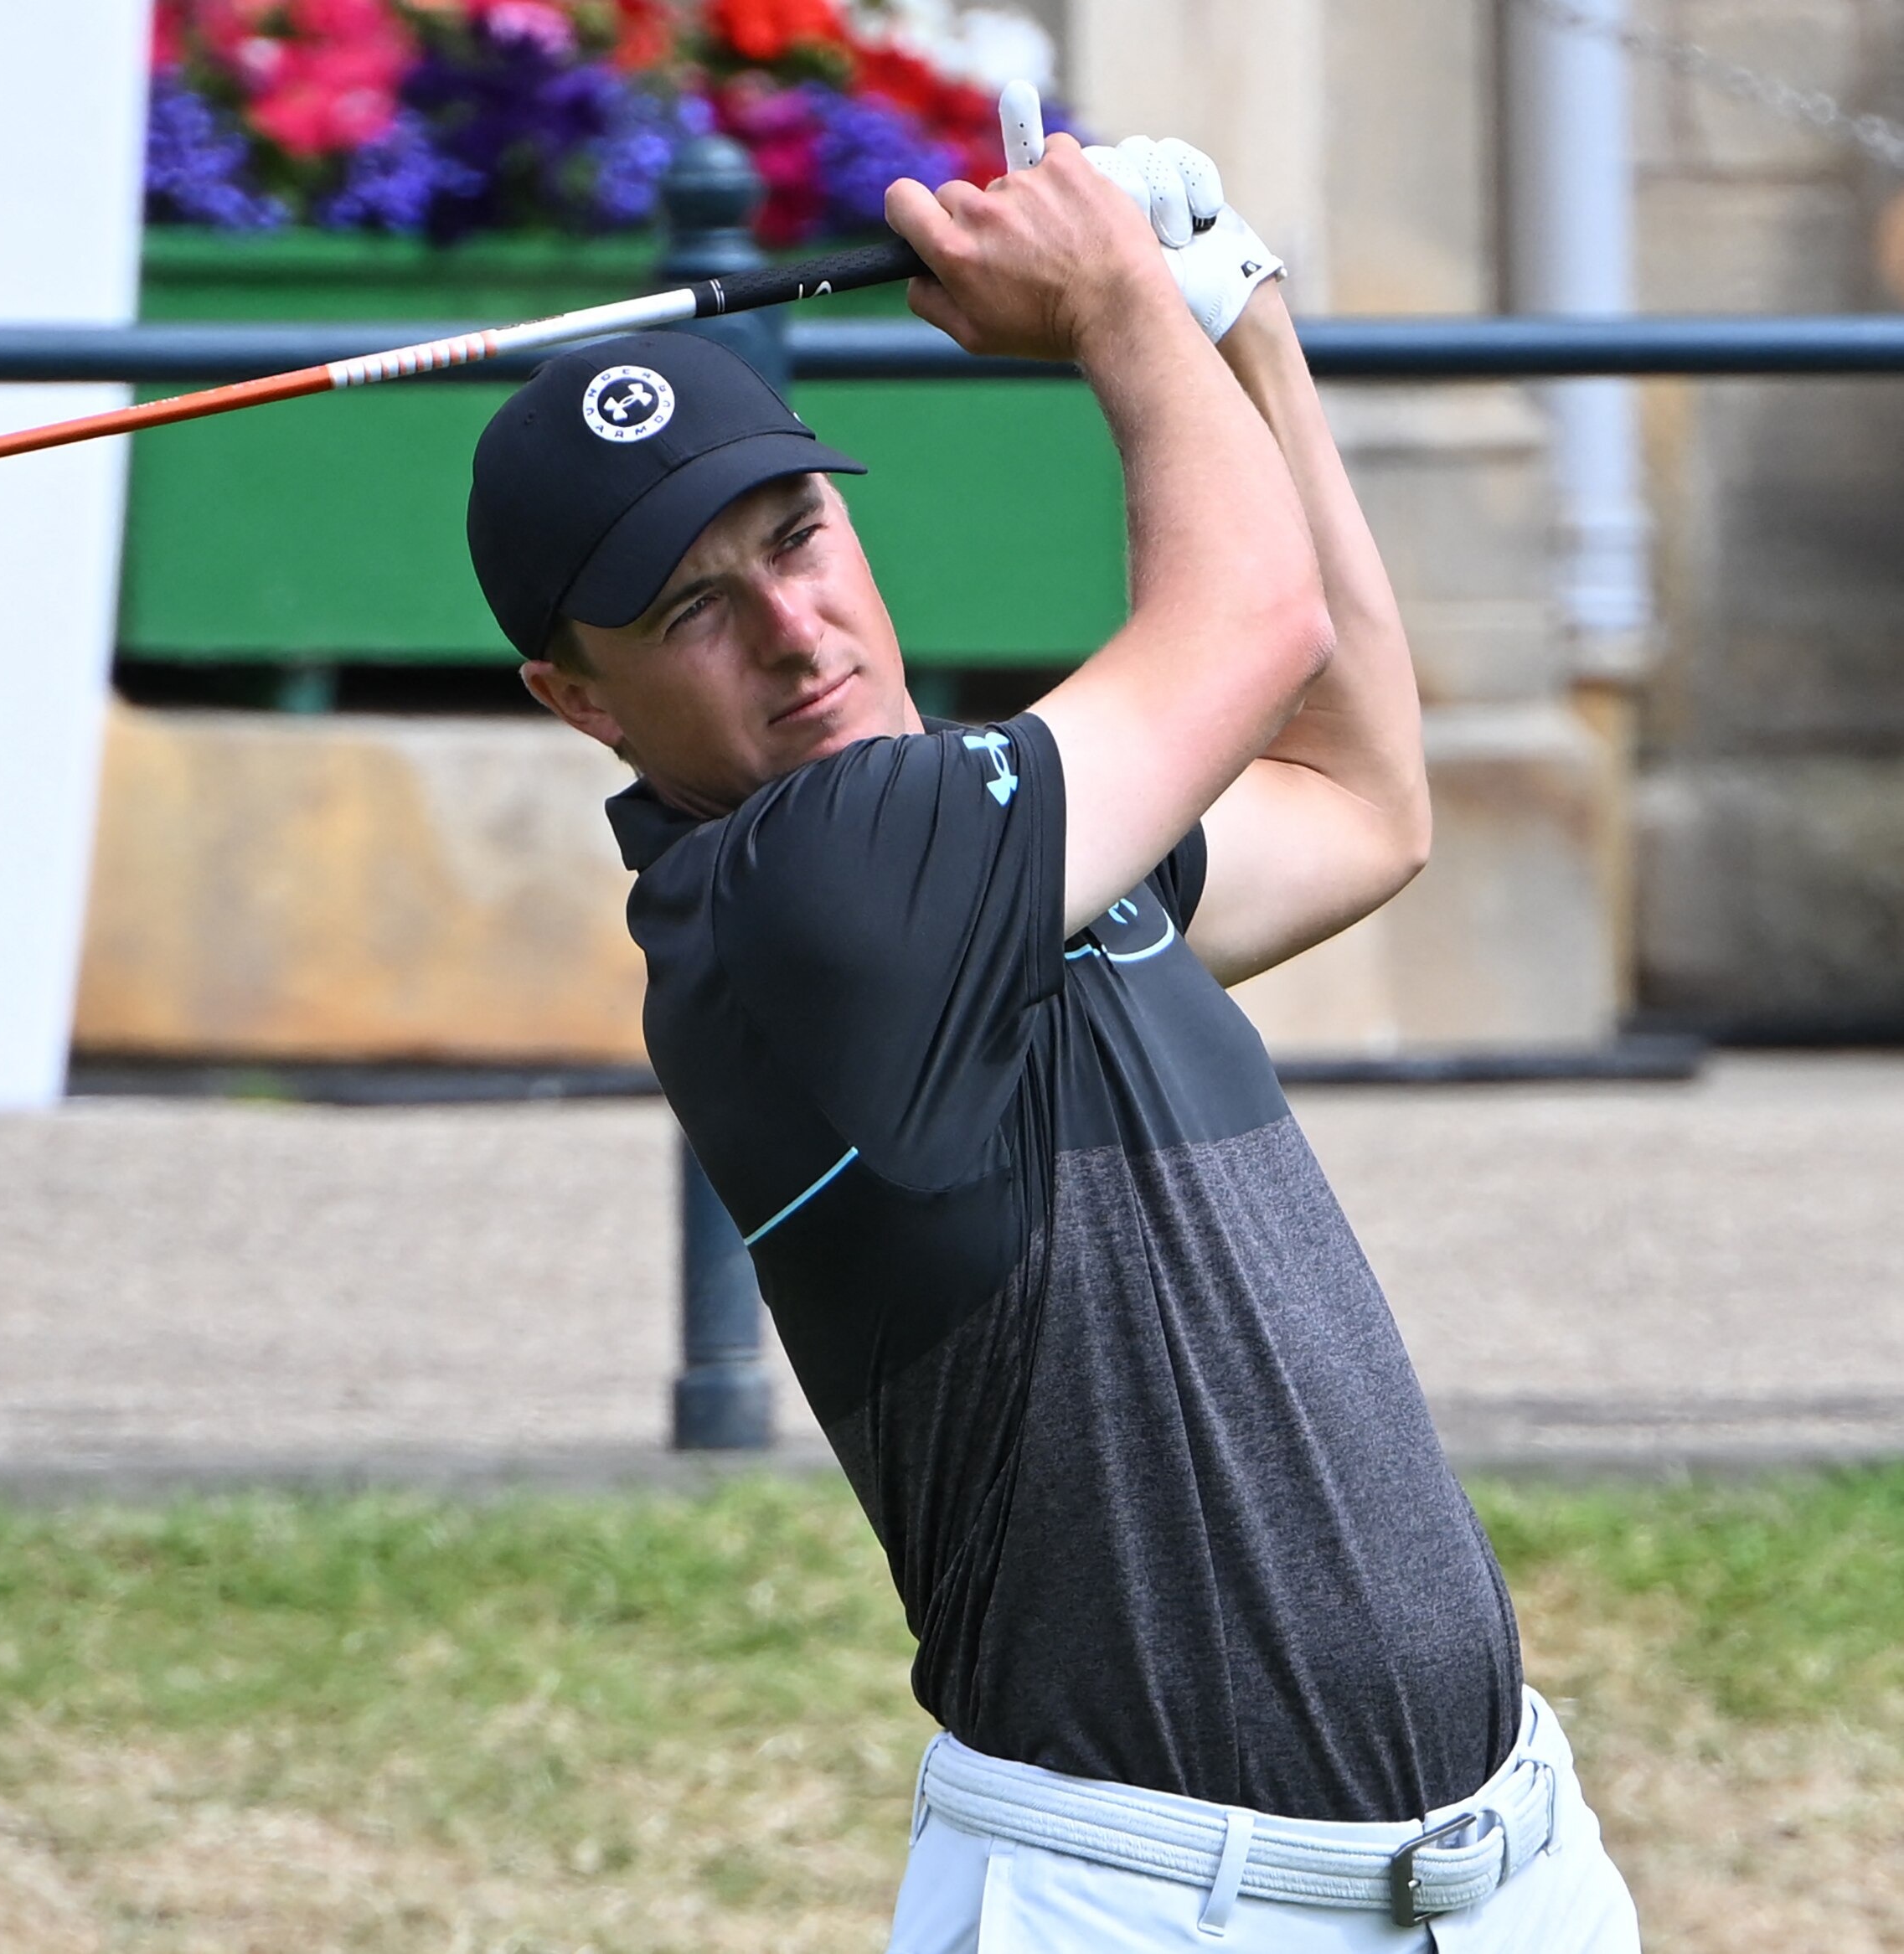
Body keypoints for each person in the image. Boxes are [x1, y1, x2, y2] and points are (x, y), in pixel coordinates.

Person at [462, 116, 1641, 1951]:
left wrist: (1236, 315)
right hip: (1149, 1903)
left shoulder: (988, 829)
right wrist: (1114, 311)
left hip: (1506, 1867)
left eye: (799, 535)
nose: (794, 628)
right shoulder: (801, 889)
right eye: (693, 607)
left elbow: (1360, 796)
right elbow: (1251, 619)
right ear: (577, 698)